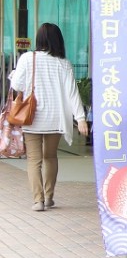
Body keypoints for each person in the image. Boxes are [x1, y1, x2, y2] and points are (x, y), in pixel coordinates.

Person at [7, 23, 89, 212]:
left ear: (39, 39)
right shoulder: (64, 63)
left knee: (34, 160)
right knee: (50, 157)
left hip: (32, 117)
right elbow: (72, 92)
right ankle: (49, 196)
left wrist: (13, 75)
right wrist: (81, 117)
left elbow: (18, 85)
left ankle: (38, 200)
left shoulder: (27, 58)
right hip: (56, 118)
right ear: (58, 40)